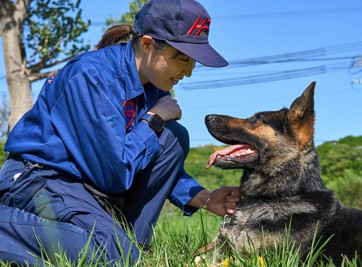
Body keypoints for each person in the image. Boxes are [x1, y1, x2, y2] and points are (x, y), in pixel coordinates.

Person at [0, 0, 241, 265]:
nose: (188, 72)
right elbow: (114, 172)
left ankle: (131, 246)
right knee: (109, 253)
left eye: (193, 62)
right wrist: (153, 119)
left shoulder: (152, 88)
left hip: (85, 187)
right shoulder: (91, 76)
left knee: (173, 138)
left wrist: (205, 199)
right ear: (148, 44)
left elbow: (147, 159)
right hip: (39, 179)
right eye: (182, 59)